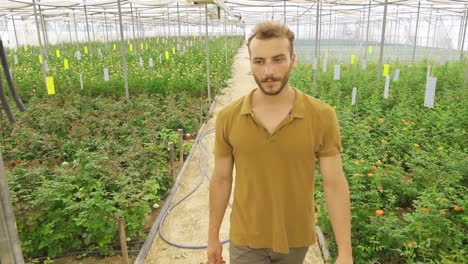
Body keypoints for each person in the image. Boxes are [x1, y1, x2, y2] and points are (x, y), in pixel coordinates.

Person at [207, 21, 352, 264]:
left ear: (293, 60)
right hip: (246, 238)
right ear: (250, 62)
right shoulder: (228, 117)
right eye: (259, 61)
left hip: (295, 238)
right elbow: (221, 179)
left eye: (278, 59)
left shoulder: (321, 116)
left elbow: (334, 183)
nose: (268, 71)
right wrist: (212, 237)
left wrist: (345, 252)